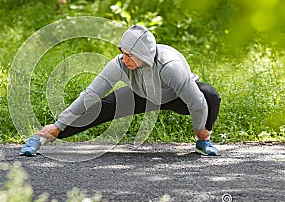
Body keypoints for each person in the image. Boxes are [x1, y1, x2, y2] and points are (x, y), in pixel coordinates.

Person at [20, 25, 221, 156]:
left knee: (210, 95)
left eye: (129, 55)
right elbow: (90, 94)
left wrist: (199, 129)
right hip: (141, 95)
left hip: (176, 96)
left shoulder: (169, 66)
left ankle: (203, 142)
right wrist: (59, 124)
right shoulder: (120, 64)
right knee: (97, 108)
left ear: (143, 54)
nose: (124, 59)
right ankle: (43, 137)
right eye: (122, 53)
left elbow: (196, 102)